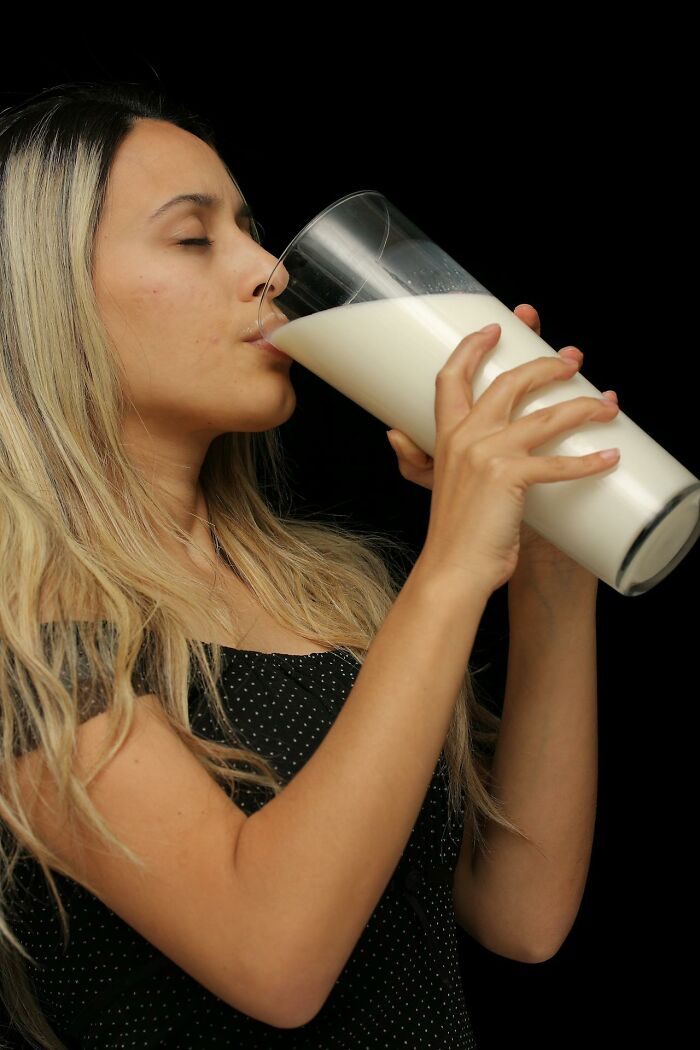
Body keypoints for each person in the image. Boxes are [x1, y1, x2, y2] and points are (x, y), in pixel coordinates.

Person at [0, 81, 619, 1049]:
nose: (266, 270)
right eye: (194, 238)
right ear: (49, 295)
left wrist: (548, 560)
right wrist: (453, 565)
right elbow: (276, 957)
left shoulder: (326, 595)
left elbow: (520, 910)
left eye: (251, 230)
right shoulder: (26, 649)